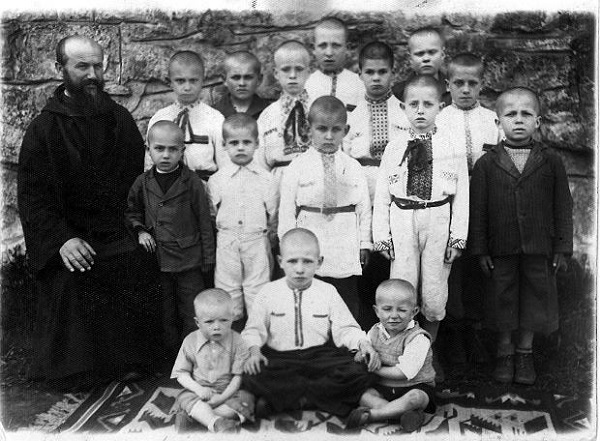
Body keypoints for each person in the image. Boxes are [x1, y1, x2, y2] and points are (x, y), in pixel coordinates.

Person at [17, 35, 161, 389]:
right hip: (68, 234)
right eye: (82, 66)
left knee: (135, 258)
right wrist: (62, 240)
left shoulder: (119, 120)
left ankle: (130, 360)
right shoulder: (43, 130)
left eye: (98, 65)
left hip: (114, 229)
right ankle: (81, 368)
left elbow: (134, 187)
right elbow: (33, 199)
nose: (93, 74)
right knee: (74, 271)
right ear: (60, 69)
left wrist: (135, 227)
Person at [469, 86, 573, 385]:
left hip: (539, 246)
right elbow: (478, 210)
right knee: (502, 297)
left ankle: (525, 352)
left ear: (537, 122)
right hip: (500, 246)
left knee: (535, 298)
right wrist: (480, 249)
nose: (518, 119)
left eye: (526, 114)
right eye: (510, 114)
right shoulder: (486, 164)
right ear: (498, 121)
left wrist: (562, 247)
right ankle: (504, 351)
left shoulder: (551, 160)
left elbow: (563, 205)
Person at [372, 75, 469, 376]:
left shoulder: (451, 146)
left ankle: (427, 351)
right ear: (403, 108)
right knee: (403, 286)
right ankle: (400, 351)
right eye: (413, 104)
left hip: (437, 218)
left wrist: (457, 238)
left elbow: (462, 196)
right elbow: (382, 195)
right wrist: (382, 236)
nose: (420, 111)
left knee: (434, 290)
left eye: (428, 104)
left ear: (440, 106)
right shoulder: (394, 147)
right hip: (402, 219)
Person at [242, 228, 380, 418]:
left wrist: (362, 343)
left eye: (307, 261)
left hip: (319, 358)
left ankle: (282, 400)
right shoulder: (268, 292)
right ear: (280, 261)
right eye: (292, 261)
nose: (299, 269)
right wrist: (254, 351)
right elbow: (253, 330)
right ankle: (314, 398)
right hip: (281, 360)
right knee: (252, 373)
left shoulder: (328, 291)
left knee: (356, 371)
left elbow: (346, 327)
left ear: (319, 262)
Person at [125, 121, 215, 358]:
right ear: (148, 150)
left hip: (189, 260)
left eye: (173, 149)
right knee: (165, 311)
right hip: (159, 260)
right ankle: (169, 358)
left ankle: (195, 354)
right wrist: (141, 231)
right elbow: (131, 212)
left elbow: (204, 221)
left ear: (182, 151)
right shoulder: (142, 182)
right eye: (159, 148)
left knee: (191, 309)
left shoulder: (191, 182)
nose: (166, 155)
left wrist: (208, 258)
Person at [278, 96, 372, 319]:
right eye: (322, 129)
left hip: (344, 240)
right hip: (310, 238)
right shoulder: (297, 167)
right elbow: (286, 211)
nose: (329, 136)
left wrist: (364, 243)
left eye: (336, 129)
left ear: (345, 130)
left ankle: (346, 336)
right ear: (308, 129)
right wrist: (288, 245)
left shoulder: (353, 167)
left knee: (346, 298)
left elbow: (364, 208)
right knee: (311, 297)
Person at [437, 53, 500, 368]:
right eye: (458, 83)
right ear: (447, 84)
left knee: (480, 265)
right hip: (449, 204)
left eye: (472, 83)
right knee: (453, 268)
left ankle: (475, 331)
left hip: (484, 202)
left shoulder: (492, 120)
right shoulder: (439, 119)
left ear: (481, 85)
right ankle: (452, 334)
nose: (465, 89)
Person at [344, 41, 409, 329]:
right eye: (369, 72)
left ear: (393, 73)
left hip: (395, 191)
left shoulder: (404, 113)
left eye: (382, 72)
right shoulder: (351, 116)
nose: (376, 78)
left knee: (391, 255)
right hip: (362, 189)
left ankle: (395, 327)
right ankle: (366, 327)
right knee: (364, 257)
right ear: (360, 73)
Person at [208, 114, 277, 330]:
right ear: (224, 145)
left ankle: (258, 333)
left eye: (246, 142)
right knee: (227, 286)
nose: (240, 148)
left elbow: (273, 213)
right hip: (227, 239)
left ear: (256, 144)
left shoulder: (267, 178)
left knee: (258, 286)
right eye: (234, 143)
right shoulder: (217, 180)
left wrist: (268, 237)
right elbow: (212, 212)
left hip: (256, 239)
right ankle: (232, 332)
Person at [347, 279, 436, 433]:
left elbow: (403, 373)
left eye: (402, 310)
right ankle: (404, 414)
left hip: (414, 385)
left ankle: (374, 415)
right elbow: (363, 352)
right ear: (377, 311)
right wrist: (361, 355)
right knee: (364, 395)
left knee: (415, 398)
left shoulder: (418, 338)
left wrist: (374, 368)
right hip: (383, 387)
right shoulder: (374, 331)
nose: (394, 315)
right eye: (387, 309)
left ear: (414, 312)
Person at [171, 289, 254, 433]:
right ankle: (217, 423)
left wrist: (221, 398)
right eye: (209, 321)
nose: (217, 326)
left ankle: (201, 417)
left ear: (232, 318)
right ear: (198, 322)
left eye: (224, 320)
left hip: (228, 393)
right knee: (184, 397)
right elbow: (181, 374)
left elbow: (237, 378)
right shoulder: (190, 341)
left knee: (248, 399)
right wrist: (199, 389)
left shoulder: (238, 341)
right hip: (199, 393)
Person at [146, 51, 226, 181]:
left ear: (203, 81)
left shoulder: (215, 119)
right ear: (170, 82)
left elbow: (225, 167)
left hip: (205, 188)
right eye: (180, 81)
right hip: (167, 187)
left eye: (193, 81)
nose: (187, 87)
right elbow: (149, 166)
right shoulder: (159, 118)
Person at [255, 40, 312, 186]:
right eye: (286, 69)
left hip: (314, 179)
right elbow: (260, 163)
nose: (292, 75)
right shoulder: (267, 116)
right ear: (276, 73)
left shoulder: (320, 109)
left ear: (308, 72)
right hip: (279, 183)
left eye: (299, 69)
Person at [304, 17, 365, 112]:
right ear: (313, 49)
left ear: (347, 48)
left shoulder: (359, 85)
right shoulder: (305, 84)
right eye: (322, 45)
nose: (329, 53)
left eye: (336, 46)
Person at [391, 27, 451, 106]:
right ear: (410, 58)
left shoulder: (454, 91)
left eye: (431, 52)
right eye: (420, 53)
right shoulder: (397, 94)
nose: (426, 59)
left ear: (442, 55)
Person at [212, 51, 272, 119]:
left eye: (248, 77)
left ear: (259, 79)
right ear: (224, 79)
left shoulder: (271, 112)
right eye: (236, 77)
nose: (242, 83)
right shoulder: (212, 114)